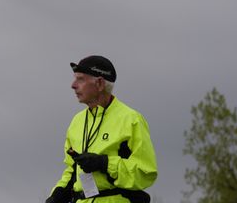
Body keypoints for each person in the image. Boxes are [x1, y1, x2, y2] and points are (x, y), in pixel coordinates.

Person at [46, 55, 158, 203]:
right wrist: (57, 195)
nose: (73, 85)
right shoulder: (77, 122)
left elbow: (145, 173)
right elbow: (72, 170)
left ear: (99, 84)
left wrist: (104, 163)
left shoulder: (131, 120)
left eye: (80, 79)